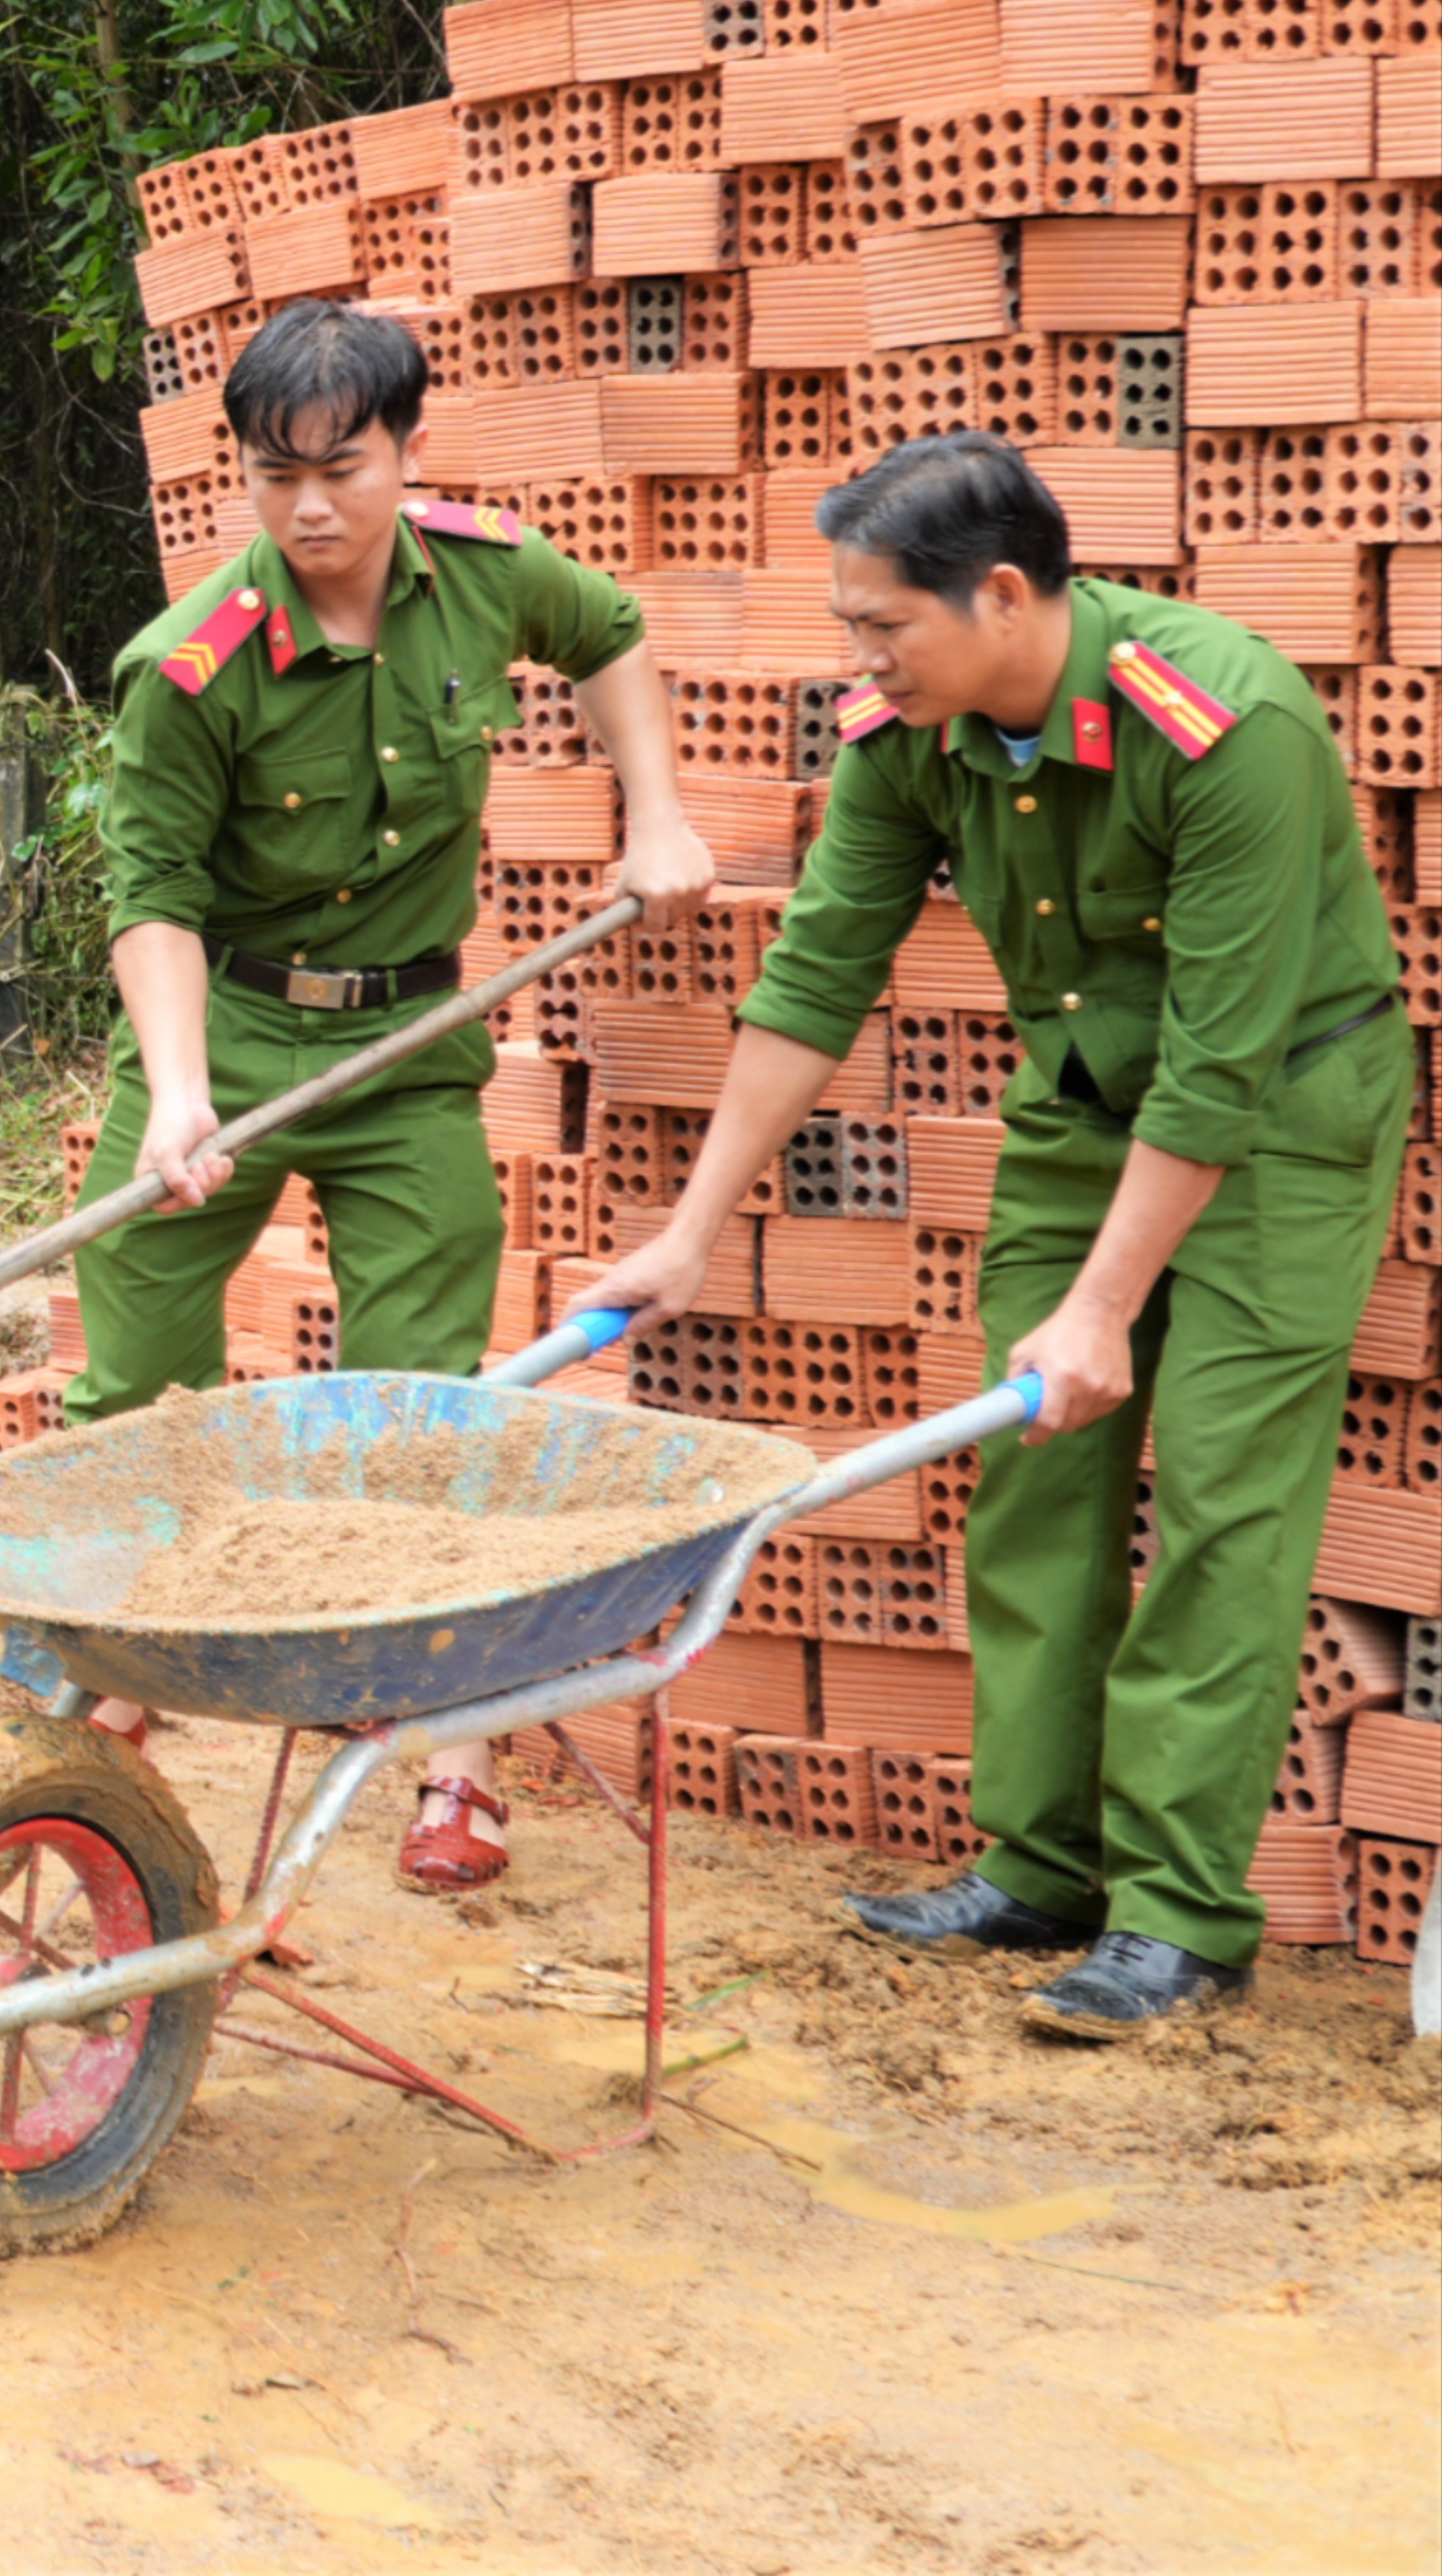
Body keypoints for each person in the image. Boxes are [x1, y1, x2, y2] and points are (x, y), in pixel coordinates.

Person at [582, 433, 1405, 2035]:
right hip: (1084, 1107)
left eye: (883, 624)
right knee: (1033, 1476)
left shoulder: (1226, 726)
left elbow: (1223, 1062)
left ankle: (1180, 1915)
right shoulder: (915, 733)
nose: (859, 656)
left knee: (1225, 1495)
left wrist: (1106, 1307)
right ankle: (1042, 1863)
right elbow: (821, 971)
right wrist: (689, 1232)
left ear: (1005, 595)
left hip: (1284, 1118)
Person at [78, 300, 717, 1890]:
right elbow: (149, 898)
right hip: (222, 1028)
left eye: (342, 468)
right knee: (136, 1364)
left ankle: (454, 1754)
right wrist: (173, 1100)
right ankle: (100, 1684)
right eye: (272, 471)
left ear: (405, 454)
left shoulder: (486, 571)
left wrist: (657, 812)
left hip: (409, 1042)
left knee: (424, 1403)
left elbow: (615, 633)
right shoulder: (189, 667)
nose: (308, 507)